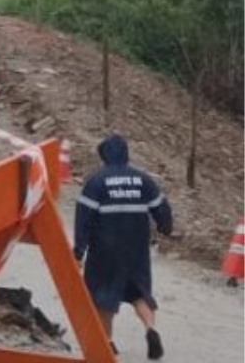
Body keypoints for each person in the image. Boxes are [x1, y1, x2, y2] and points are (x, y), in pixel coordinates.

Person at [74, 135, 173, 360]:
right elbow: (161, 207)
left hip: (105, 248)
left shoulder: (97, 181)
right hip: (136, 248)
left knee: (103, 295)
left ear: (105, 155)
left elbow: (83, 218)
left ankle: (107, 341)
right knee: (139, 292)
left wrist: (79, 250)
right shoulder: (143, 179)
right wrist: (165, 227)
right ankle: (151, 329)